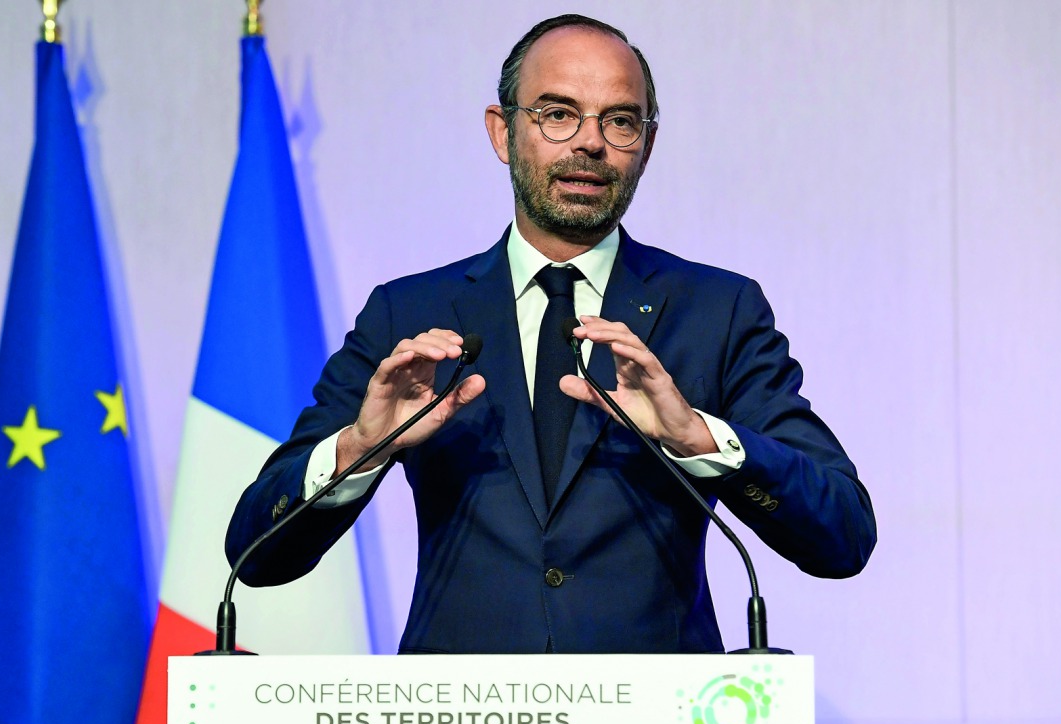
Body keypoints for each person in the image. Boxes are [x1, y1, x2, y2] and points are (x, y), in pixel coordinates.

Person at [227, 13, 874, 657]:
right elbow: (255, 553)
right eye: (558, 114)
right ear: (503, 131)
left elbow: (842, 534)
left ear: (646, 144)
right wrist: (358, 450)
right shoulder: (409, 313)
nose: (590, 143)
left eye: (620, 121)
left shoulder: (717, 312)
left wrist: (698, 438)